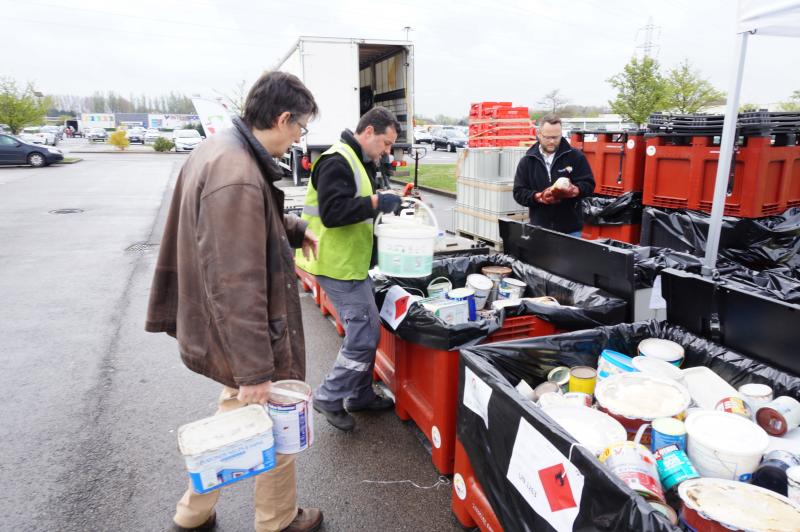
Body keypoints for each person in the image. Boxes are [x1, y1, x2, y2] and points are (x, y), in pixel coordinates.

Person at [145, 71, 324, 532]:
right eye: (300, 129)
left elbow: (243, 224)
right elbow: (235, 282)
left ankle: (193, 513)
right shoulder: (239, 174)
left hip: (229, 330)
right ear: (283, 118)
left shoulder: (223, 148)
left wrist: (294, 228)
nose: (299, 139)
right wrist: (255, 372)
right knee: (275, 421)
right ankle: (277, 521)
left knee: (234, 421)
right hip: (252, 338)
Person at [295, 106, 403, 432]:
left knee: (368, 328)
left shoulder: (358, 159)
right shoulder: (336, 160)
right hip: (334, 264)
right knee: (364, 335)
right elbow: (332, 212)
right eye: (385, 144)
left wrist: (382, 202)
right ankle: (330, 396)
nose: (387, 152)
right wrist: (374, 203)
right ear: (368, 131)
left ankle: (359, 394)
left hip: (349, 263)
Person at [512, 114, 595, 236]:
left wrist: (575, 190)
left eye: (556, 137)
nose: (552, 141)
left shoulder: (575, 157)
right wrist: (539, 197)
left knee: (569, 256)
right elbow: (518, 192)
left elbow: (589, 184)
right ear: (539, 134)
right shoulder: (528, 160)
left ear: (561, 134)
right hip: (539, 228)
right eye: (547, 137)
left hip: (570, 229)